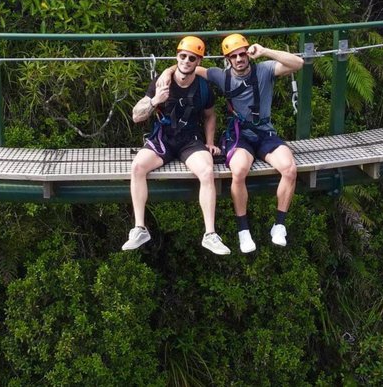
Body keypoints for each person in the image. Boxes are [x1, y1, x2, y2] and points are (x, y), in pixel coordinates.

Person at [161, 33, 304, 253]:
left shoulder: (264, 70)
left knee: (289, 168)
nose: (239, 59)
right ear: (227, 59)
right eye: (233, 56)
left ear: (248, 54)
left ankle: (279, 225)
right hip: (239, 135)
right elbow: (186, 67)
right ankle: (243, 231)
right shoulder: (221, 75)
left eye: (242, 54)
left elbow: (298, 63)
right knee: (239, 170)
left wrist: (265, 50)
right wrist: (166, 72)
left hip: (265, 132)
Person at [121, 36, 230, 255]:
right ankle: (140, 228)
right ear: (176, 57)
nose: (186, 61)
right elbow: (136, 116)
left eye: (192, 58)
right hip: (164, 138)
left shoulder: (203, 88)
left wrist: (209, 142)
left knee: (208, 172)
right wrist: (155, 101)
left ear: (198, 62)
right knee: (137, 167)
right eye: (182, 56)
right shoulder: (162, 83)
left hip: (190, 140)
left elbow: (210, 116)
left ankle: (210, 234)